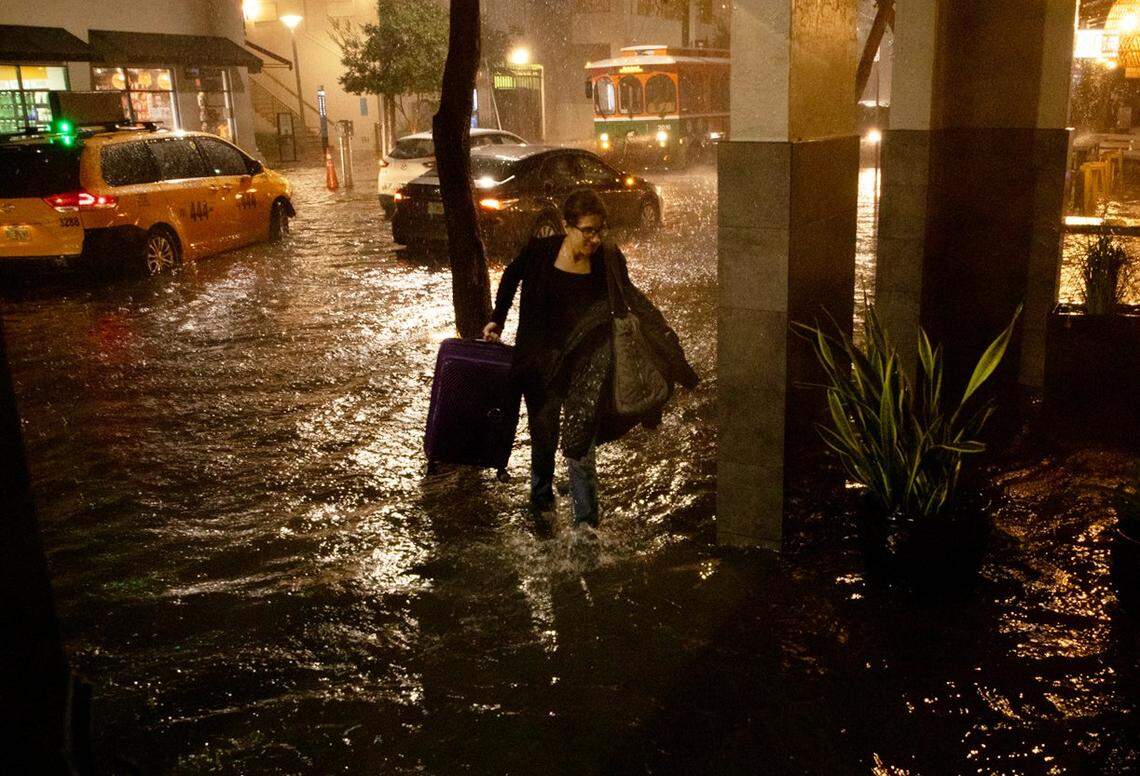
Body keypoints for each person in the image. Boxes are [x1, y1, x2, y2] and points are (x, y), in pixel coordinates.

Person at [482, 189, 699, 530]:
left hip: (588, 364)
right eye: (589, 231)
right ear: (568, 227)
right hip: (540, 364)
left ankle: (586, 526)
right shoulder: (540, 252)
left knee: (581, 445)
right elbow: (511, 276)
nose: (596, 238)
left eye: (601, 230)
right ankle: (541, 508)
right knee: (543, 438)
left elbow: (632, 300)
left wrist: (672, 351)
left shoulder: (608, 259)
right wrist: (498, 318)